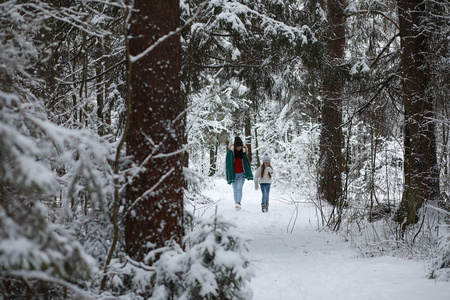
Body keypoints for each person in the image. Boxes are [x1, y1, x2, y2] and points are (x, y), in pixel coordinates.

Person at [226, 137, 253, 210]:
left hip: (241, 174)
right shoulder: (230, 153)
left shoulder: (243, 152)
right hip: (233, 174)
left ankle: (238, 203)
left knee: (239, 188)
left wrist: (248, 173)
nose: (239, 148)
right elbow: (227, 164)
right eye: (238, 147)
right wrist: (228, 174)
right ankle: (236, 205)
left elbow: (246, 164)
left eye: (240, 147)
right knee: (235, 190)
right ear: (235, 147)